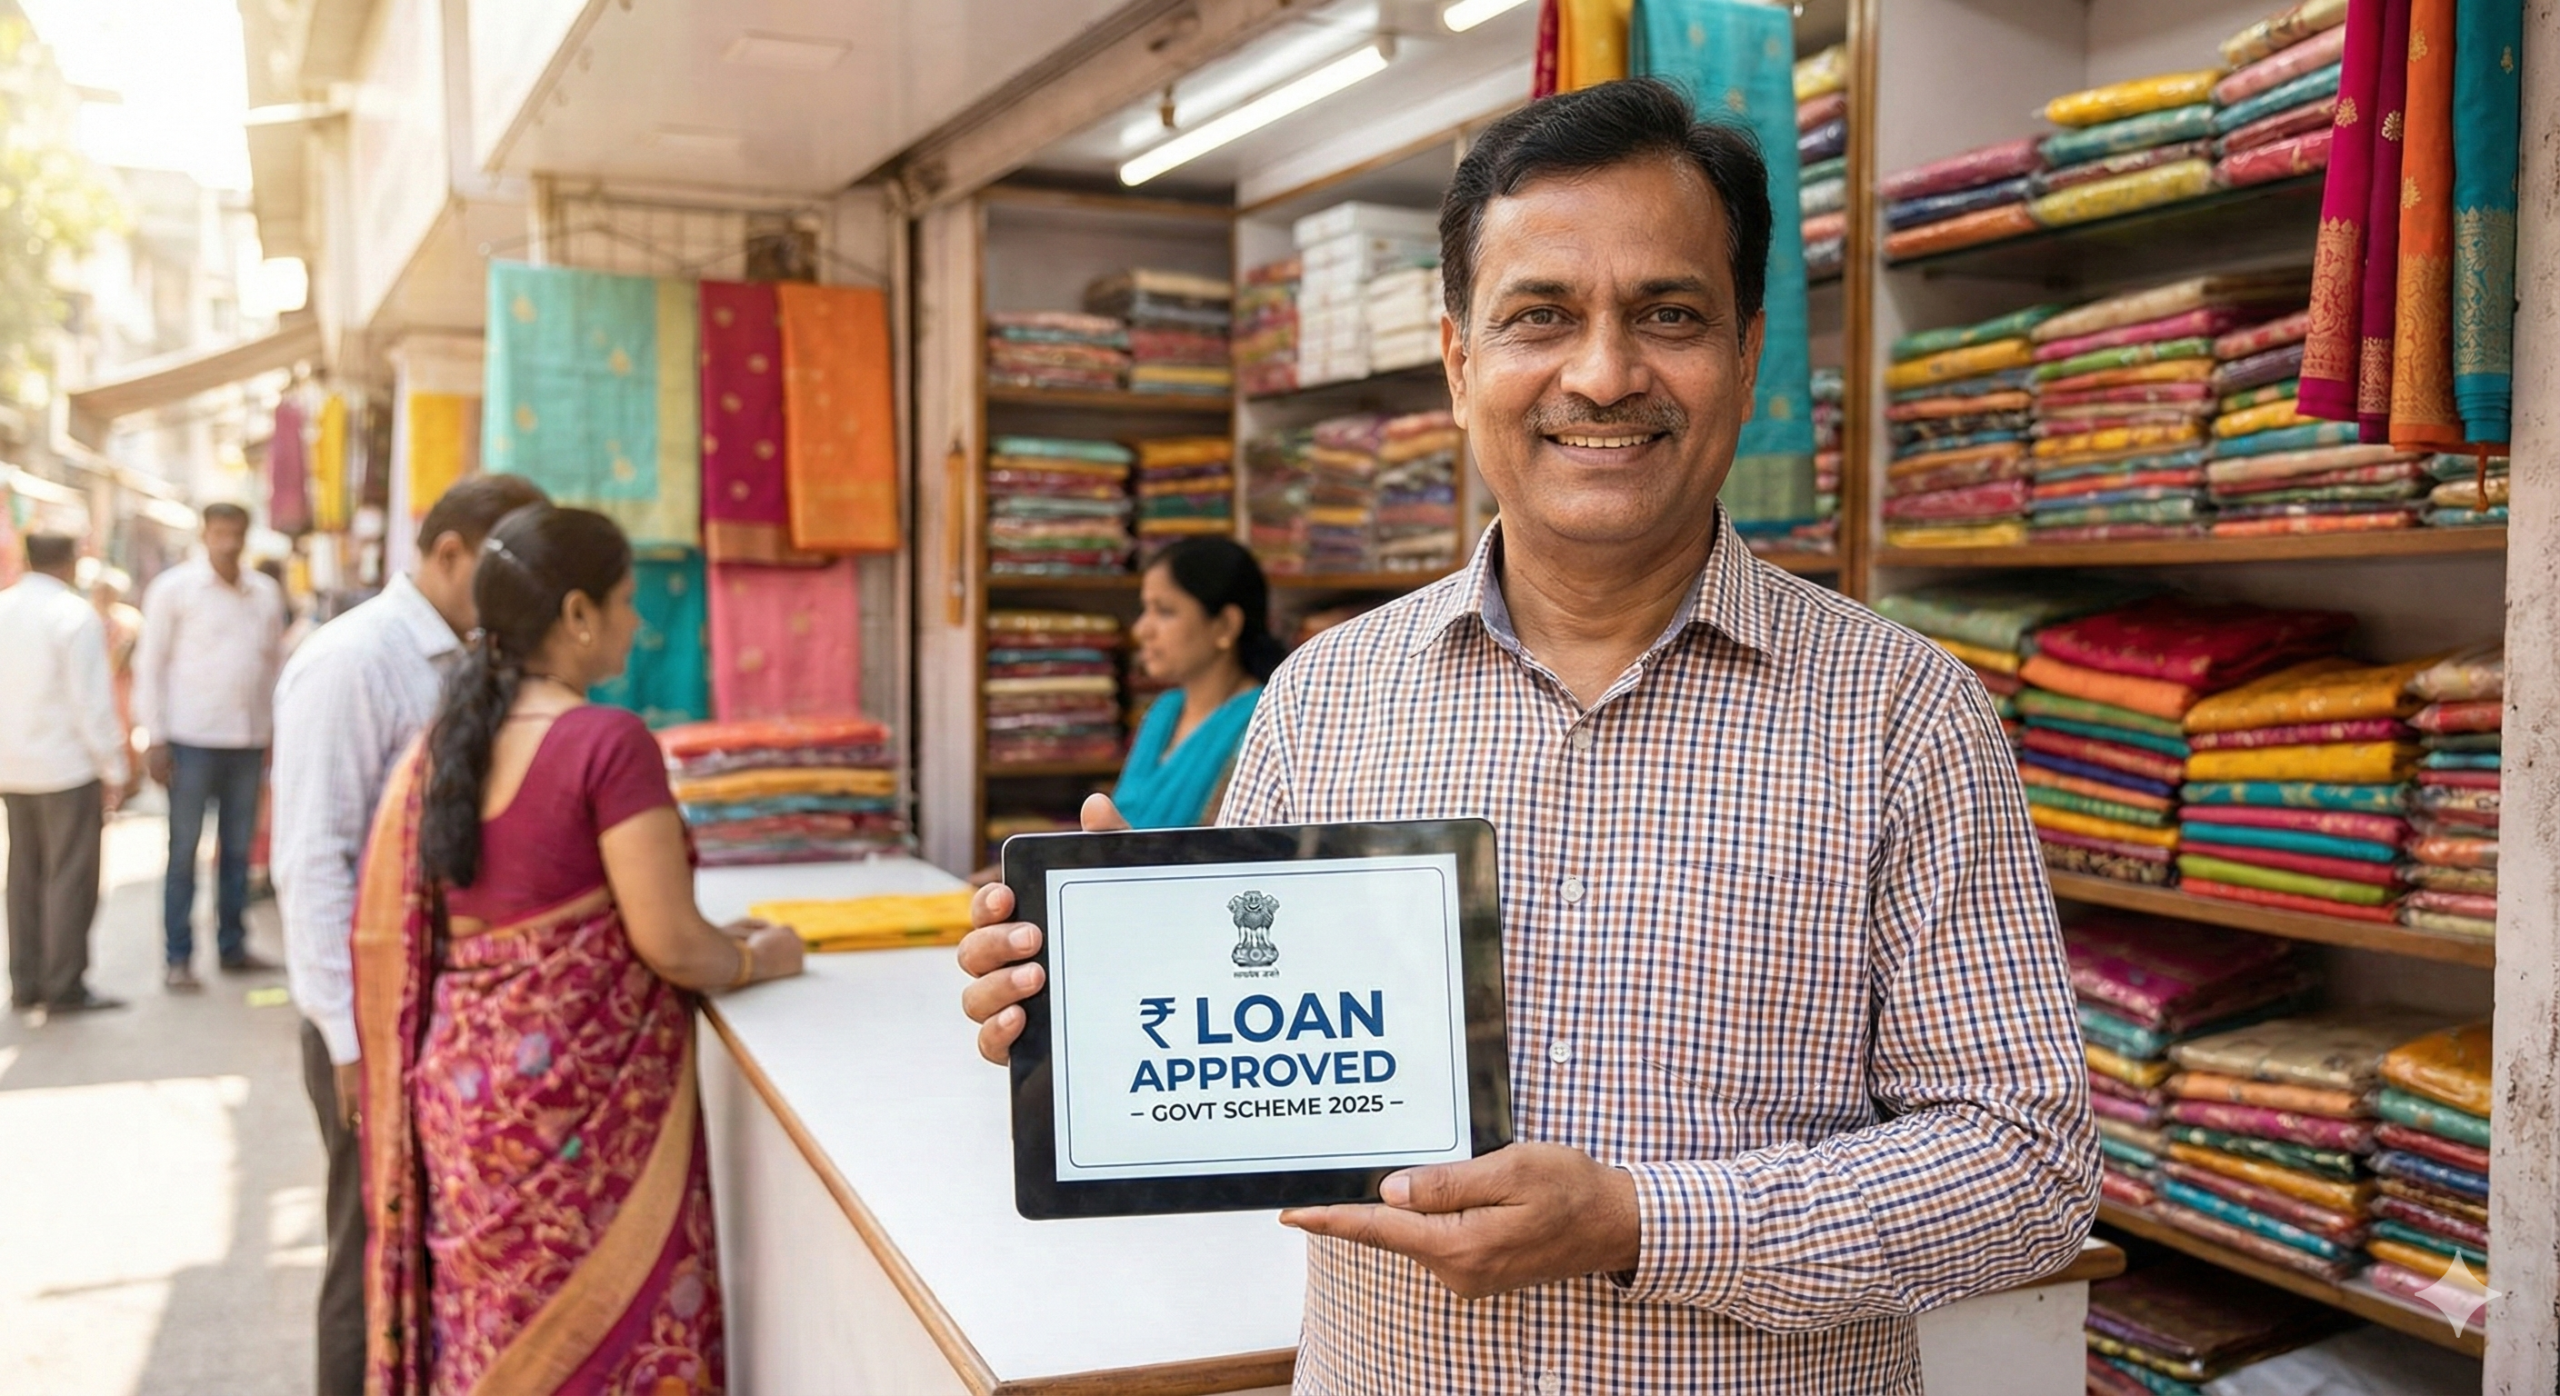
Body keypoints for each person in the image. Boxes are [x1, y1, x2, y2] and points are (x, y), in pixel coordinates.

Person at [958, 80, 2096, 1392]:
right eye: (1540, 316)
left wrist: (1641, 1223)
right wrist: (1070, 1000)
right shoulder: (1324, 700)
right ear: (1457, 363)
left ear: (1745, 353)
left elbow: (2030, 1167)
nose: (1604, 373)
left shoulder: (1904, 717)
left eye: (1668, 314)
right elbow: (1232, 1059)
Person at [351, 503, 804, 1393]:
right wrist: (761, 958)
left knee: (494, 1344)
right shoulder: (606, 741)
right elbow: (670, 942)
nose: (642, 622)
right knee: (614, 1344)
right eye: (629, 600)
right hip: (576, 1125)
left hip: (468, 1109)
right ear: (576, 614)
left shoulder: (442, 749)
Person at [269, 473, 546, 1396]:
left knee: (426, 1243)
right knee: (369, 1247)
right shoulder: (354, 660)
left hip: (434, 1007)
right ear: (450, 553)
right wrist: (345, 1037)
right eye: (502, 566)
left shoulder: (471, 653)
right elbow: (313, 859)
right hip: (365, 1018)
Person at [135, 501, 288, 990]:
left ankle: (233, 945)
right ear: (205, 534)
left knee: (239, 852)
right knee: (183, 852)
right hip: (190, 741)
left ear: (246, 535)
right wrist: (154, 737)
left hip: (248, 741)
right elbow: (150, 666)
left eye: (235, 533)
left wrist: (277, 734)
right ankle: (178, 956)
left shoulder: (263, 593)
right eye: (219, 532)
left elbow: (275, 667)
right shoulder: (174, 590)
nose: (227, 542)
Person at [0, 534, 134, 1015]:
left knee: (24, 876)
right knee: (70, 877)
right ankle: (63, 985)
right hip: (66, 767)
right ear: (72, 562)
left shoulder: (6, 608)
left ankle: (26, 981)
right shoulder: (71, 615)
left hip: (15, 768)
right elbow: (91, 705)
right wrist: (113, 768)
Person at [1115, 537, 1284, 828]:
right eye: (1145, 609)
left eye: (1165, 611)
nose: (1142, 629)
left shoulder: (1264, 723)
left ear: (1226, 624)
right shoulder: (1164, 712)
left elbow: (1229, 848)